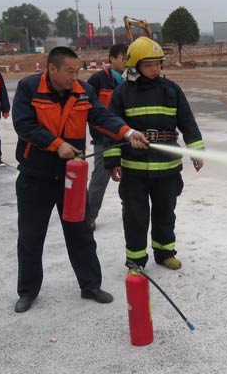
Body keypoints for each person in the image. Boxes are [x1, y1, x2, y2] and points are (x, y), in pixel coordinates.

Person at [11, 46, 149, 313]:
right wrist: (56, 144)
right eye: (70, 71)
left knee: (81, 232)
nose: (75, 77)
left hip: (70, 177)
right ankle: (27, 291)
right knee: (30, 235)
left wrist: (128, 131)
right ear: (52, 69)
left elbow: (101, 115)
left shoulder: (83, 91)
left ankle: (90, 285)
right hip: (35, 177)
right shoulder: (29, 88)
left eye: (78, 71)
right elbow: (24, 124)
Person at [104, 37, 204, 271]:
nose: (155, 68)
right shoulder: (122, 93)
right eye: (149, 64)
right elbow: (111, 127)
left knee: (165, 213)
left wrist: (196, 151)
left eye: (158, 63)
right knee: (135, 217)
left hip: (167, 168)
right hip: (134, 168)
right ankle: (136, 261)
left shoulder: (172, 91)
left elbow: (188, 122)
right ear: (135, 65)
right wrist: (112, 160)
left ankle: (165, 252)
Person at [86, 43, 128, 230]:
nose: (125, 62)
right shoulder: (97, 80)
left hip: (125, 137)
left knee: (130, 176)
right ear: (112, 59)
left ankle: (130, 210)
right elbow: (88, 109)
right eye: (123, 58)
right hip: (104, 139)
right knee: (100, 177)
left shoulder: (128, 80)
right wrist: (97, 132)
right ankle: (90, 215)